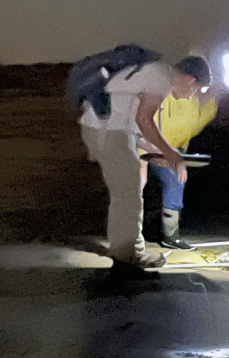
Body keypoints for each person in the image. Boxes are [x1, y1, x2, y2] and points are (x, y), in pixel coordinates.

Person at [78, 48, 212, 270]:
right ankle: (128, 257)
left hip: (107, 129)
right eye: (196, 89)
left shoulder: (157, 74)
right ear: (189, 79)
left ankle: (126, 252)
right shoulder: (161, 77)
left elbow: (134, 124)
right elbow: (144, 120)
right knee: (129, 193)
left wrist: (157, 152)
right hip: (107, 130)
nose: (193, 95)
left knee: (127, 193)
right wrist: (171, 153)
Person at [139, 88, 220, 250]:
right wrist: (155, 150)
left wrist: (179, 159)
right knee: (137, 185)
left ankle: (171, 235)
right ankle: (130, 238)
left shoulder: (205, 108)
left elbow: (183, 136)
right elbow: (140, 125)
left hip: (169, 152)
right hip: (141, 145)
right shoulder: (162, 94)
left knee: (176, 179)